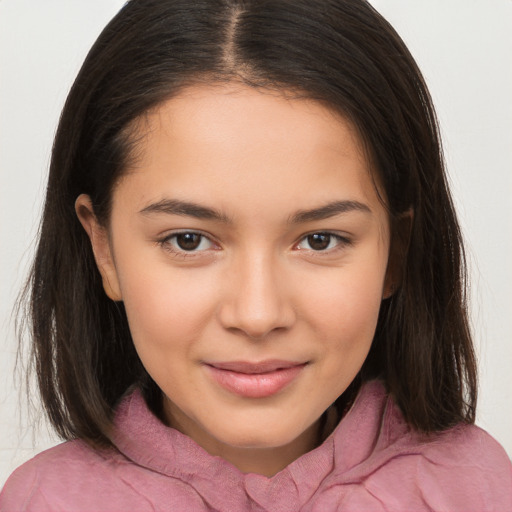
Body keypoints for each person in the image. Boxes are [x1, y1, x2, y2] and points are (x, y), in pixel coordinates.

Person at [1, 0, 511, 510]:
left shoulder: (477, 490)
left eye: (320, 239)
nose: (258, 314)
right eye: (188, 240)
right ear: (104, 249)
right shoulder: (40, 502)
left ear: (393, 255)